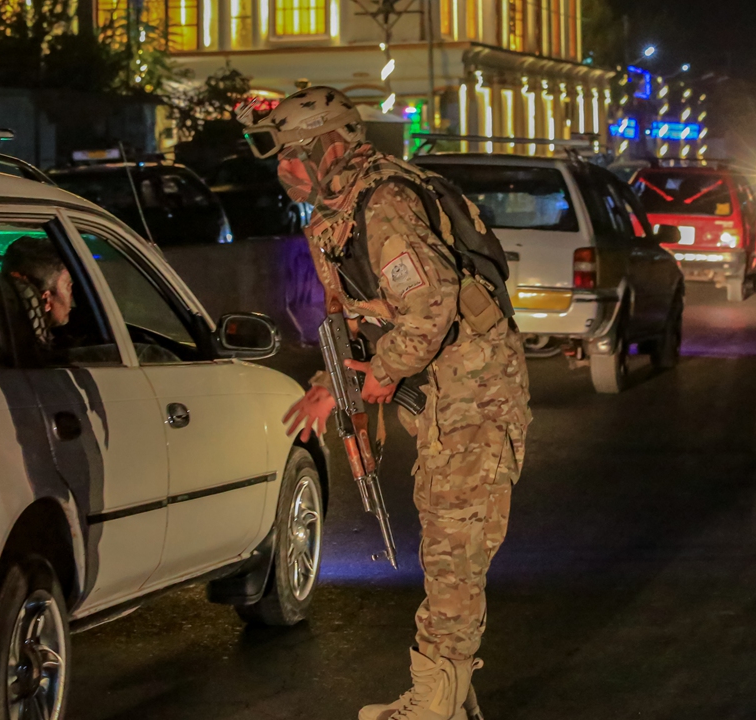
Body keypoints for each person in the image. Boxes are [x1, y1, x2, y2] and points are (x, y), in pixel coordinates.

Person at [245, 87, 531, 720]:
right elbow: (351, 317)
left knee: (453, 552)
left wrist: (382, 371)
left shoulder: (385, 203)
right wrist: (334, 380)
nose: (282, 170)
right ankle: (450, 701)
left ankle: (436, 705)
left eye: (291, 156)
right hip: (438, 394)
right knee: (445, 542)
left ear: (329, 148)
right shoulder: (334, 215)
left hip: (474, 395)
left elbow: (432, 308)